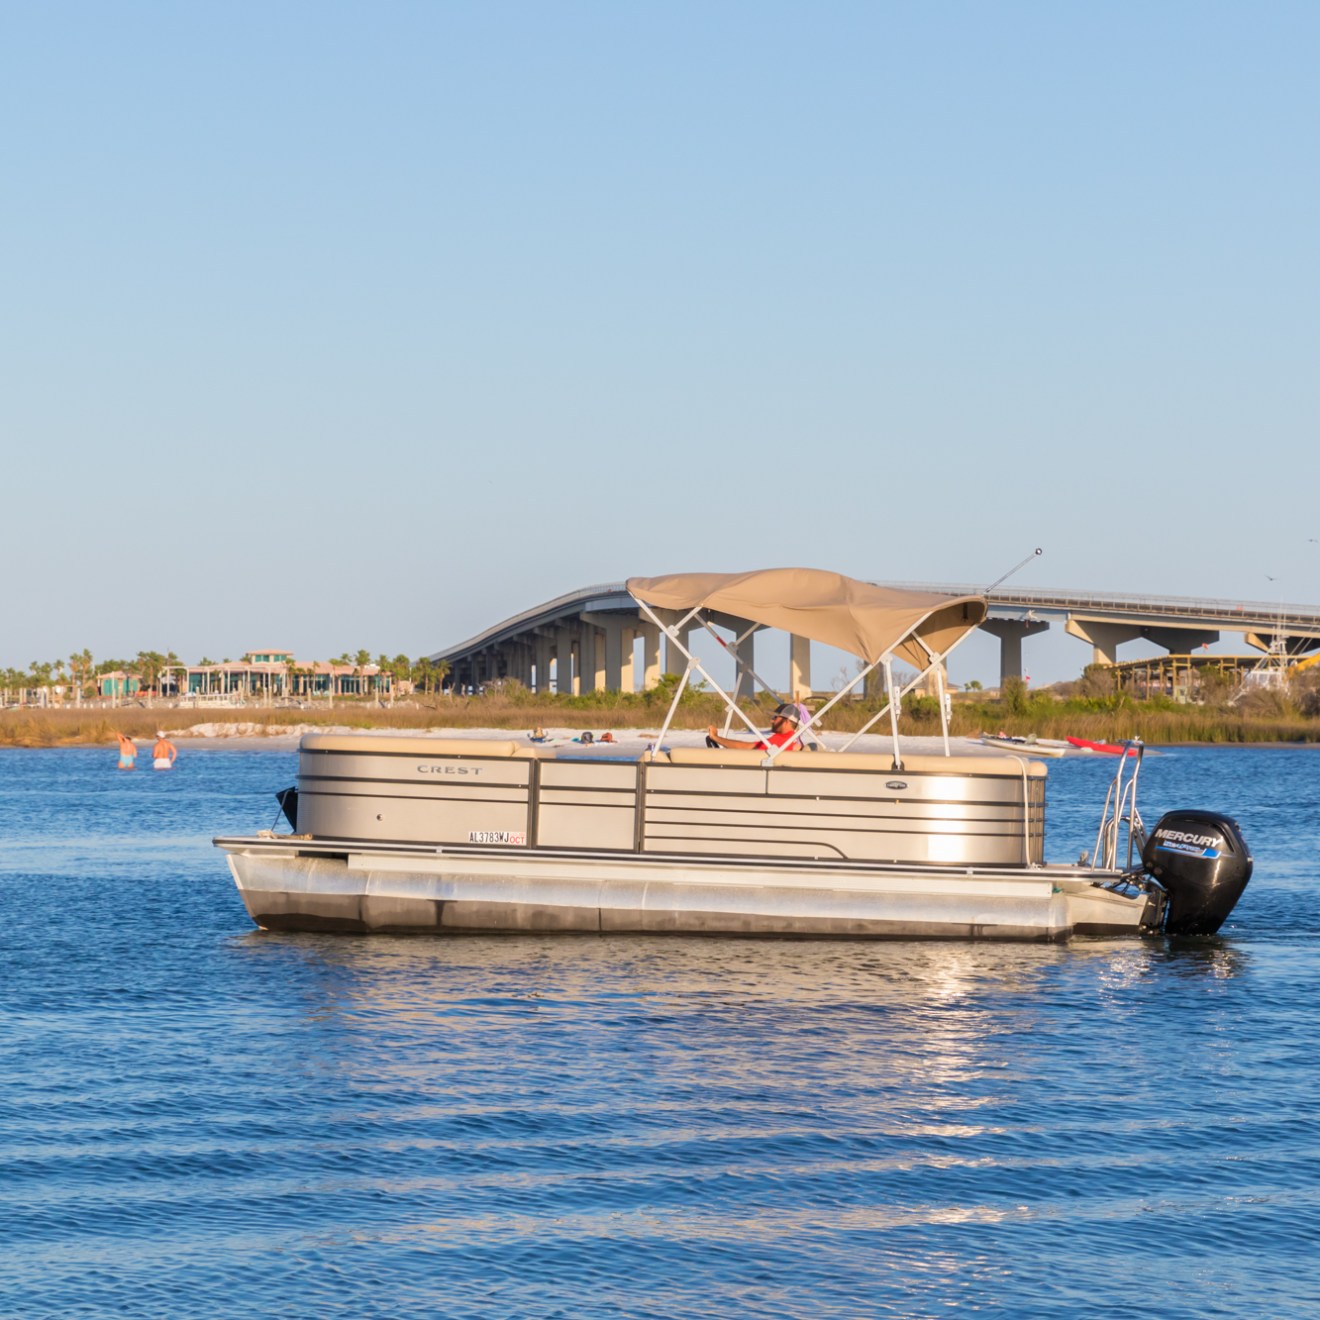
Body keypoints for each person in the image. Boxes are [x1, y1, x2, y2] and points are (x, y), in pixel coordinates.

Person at [706, 703, 803, 753]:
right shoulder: (794, 739)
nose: (771, 720)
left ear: (786, 721)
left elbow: (747, 748)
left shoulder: (781, 740)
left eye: (775, 717)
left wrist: (715, 738)